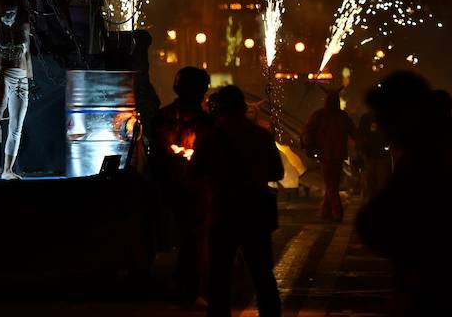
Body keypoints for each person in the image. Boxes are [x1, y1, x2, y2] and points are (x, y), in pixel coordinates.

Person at [356, 72, 452, 317]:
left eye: (386, 117)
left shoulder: (427, 158)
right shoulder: (447, 146)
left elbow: (376, 223)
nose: (383, 126)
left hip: (436, 292)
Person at [192, 85, 284, 317]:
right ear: (243, 107)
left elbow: (194, 172)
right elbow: (276, 172)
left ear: (219, 109)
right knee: (263, 275)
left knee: (220, 277)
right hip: (254, 211)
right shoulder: (261, 136)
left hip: (222, 211)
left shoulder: (210, 138)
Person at [148, 66, 212, 306]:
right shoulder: (201, 121)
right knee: (192, 238)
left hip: (175, 187)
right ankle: (187, 286)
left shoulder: (164, 116)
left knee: (189, 238)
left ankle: (182, 282)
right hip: (186, 188)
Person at [0, 0, 33, 180]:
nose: (9, 15)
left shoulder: (23, 26)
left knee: (16, 125)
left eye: (12, 12)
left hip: (21, 78)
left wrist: (31, 79)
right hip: (2, 74)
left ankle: (7, 170)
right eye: (6, 11)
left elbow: (28, 55)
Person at [301, 88, 355, 221]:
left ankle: (336, 213)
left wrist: (309, 146)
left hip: (326, 155)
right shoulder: (342, 116)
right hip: (336, 155)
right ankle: (327, 212)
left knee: (331, 185)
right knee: (332, 185)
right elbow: (354, 133)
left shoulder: (319, 115)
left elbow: (307, 132)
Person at [356, 111, 391, 200]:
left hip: (379, 155)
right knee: (372, 181)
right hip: (371, 155)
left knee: (376, 181)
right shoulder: (367, 118)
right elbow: (361, 134)